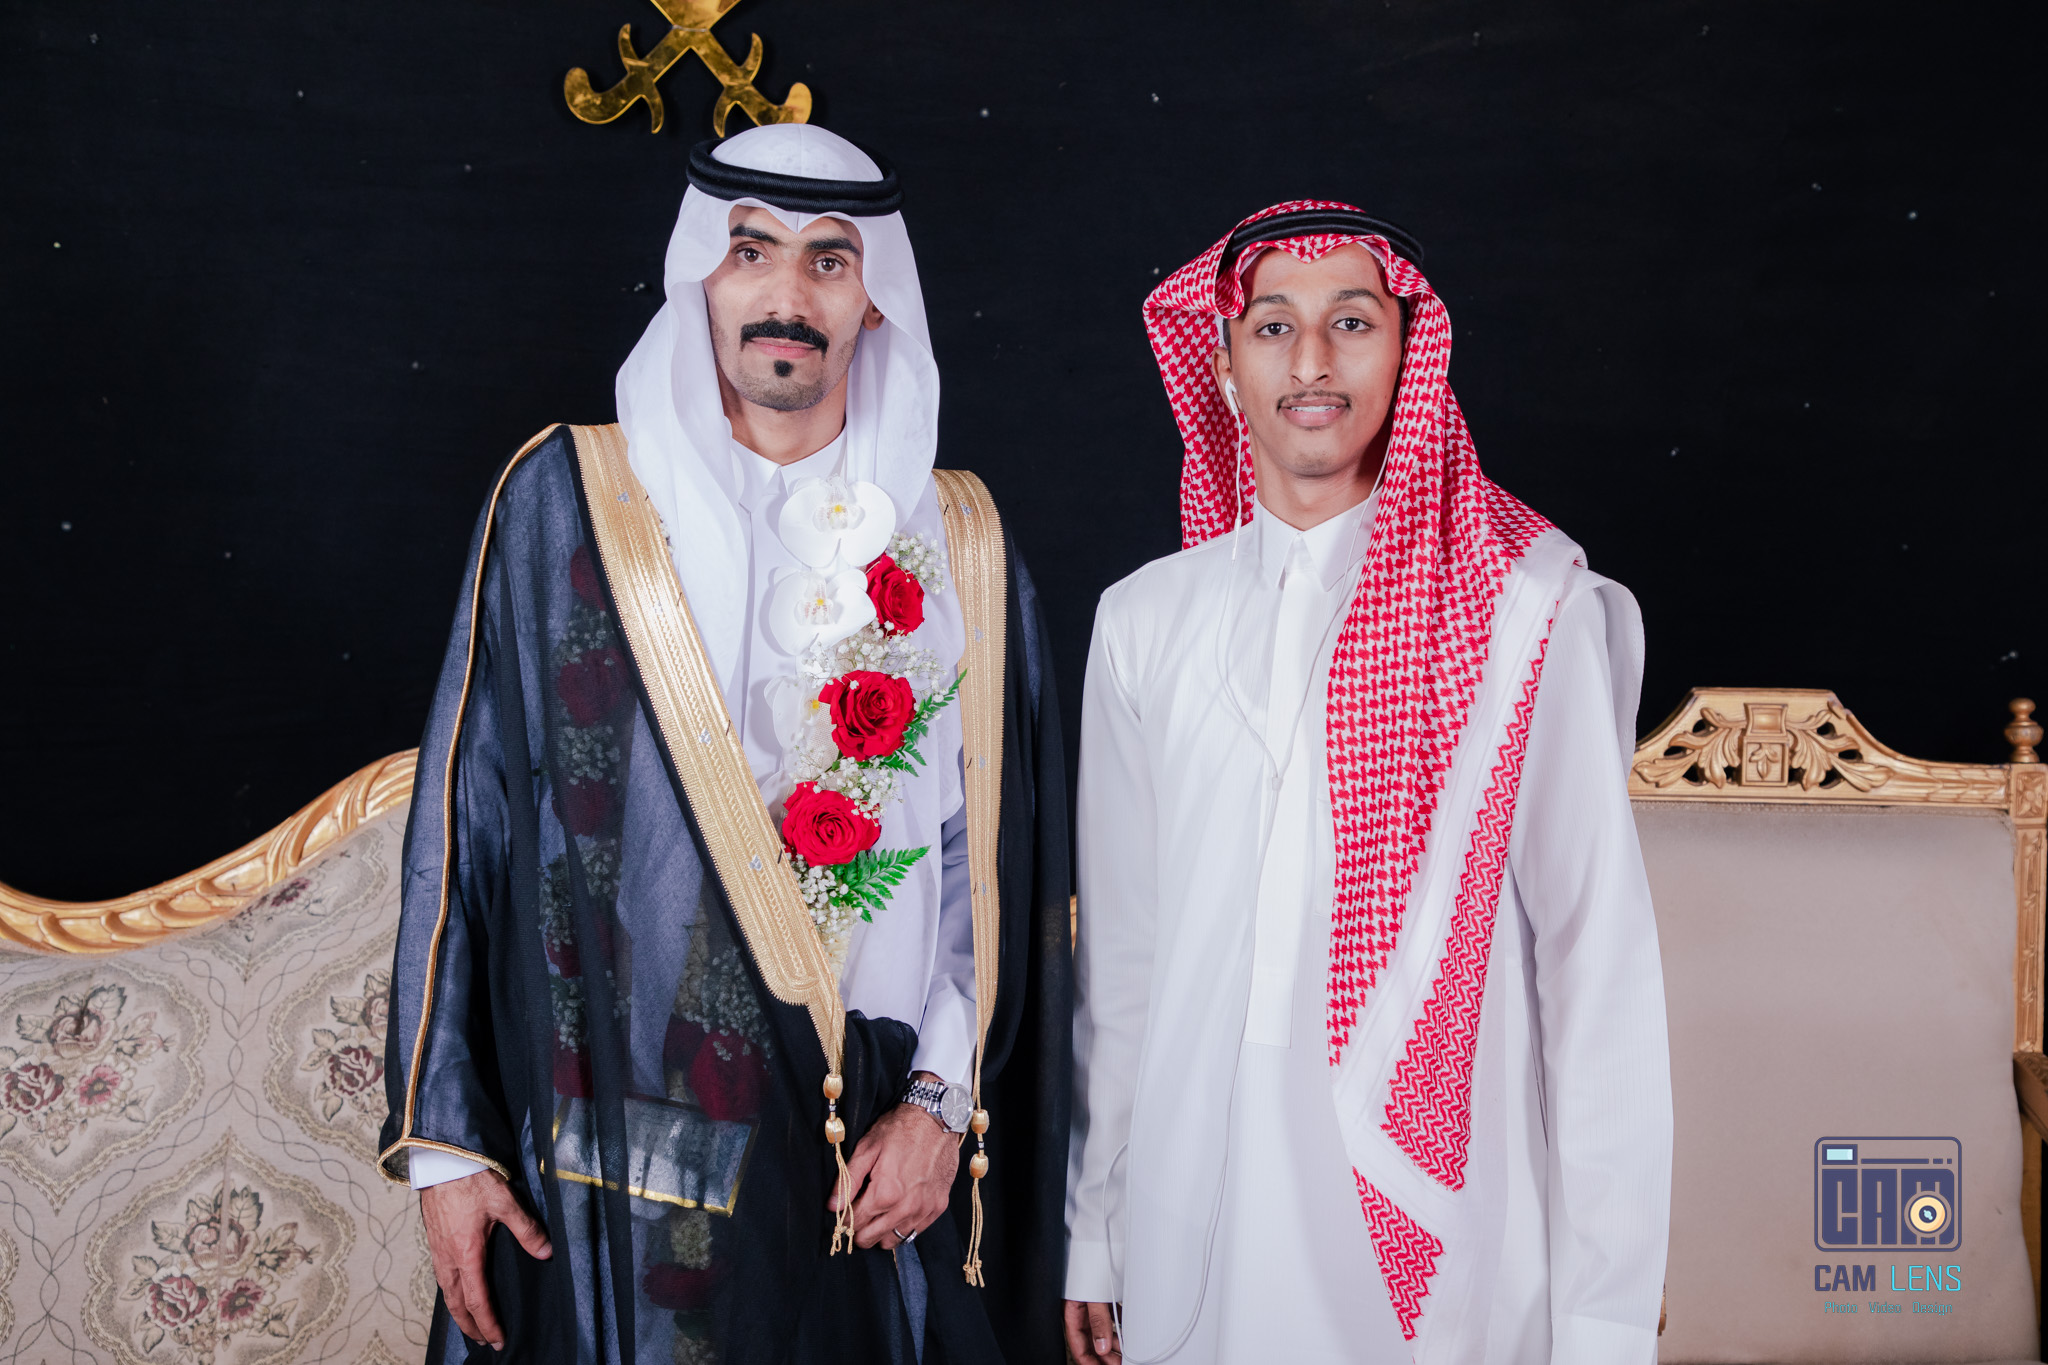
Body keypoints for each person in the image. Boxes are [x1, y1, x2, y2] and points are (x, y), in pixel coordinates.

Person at [378, 123, 1072, 1365]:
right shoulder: (568, 503)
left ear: (875, 298)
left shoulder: (958, 540)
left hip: (871, 1158)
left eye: (828, 261)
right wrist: (448, 1146)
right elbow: (464, 829)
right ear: (700, 270)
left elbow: (989, 875)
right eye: (751, 252)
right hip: (613, 1153)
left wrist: (937, 1107)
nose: (785, 296)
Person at [1063, 201, 1671, 1364]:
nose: (1308, 361)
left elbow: (1594, 966)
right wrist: (1097, 1230)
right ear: (1221, 363)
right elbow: (1124, 962)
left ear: (1406, 354)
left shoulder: (1524, 614)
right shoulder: (1143, 621)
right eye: (1269, 326)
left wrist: (1604, 1310)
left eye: (1350, 322)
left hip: (1443, 1207)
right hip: (1193, 1202)